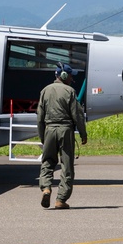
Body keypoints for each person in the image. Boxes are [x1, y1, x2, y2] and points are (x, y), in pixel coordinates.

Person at [37, 62, 88, 209]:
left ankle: (46, 188)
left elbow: (40, 116)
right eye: (71, 75)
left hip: (49, 130)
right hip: (65, 130)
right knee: (66, 165)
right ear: (64, 75)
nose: (72, 78)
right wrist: (83, 134)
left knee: (47, 162)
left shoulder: (45, 91)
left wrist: (43, 136)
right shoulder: (70, 91)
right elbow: (77, 115)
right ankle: (61, 199)